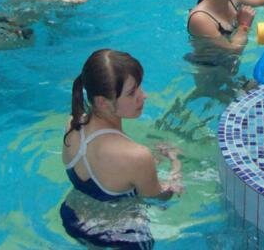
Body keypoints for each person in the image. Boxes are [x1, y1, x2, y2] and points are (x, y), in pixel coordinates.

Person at [61, 49, 183, 249]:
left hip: (73, 218)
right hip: (122, 235)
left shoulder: (72, 125)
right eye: (131, 93)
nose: (144, 96)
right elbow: (159, 201)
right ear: (102, 102)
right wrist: (175, 164)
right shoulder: (137, 156)